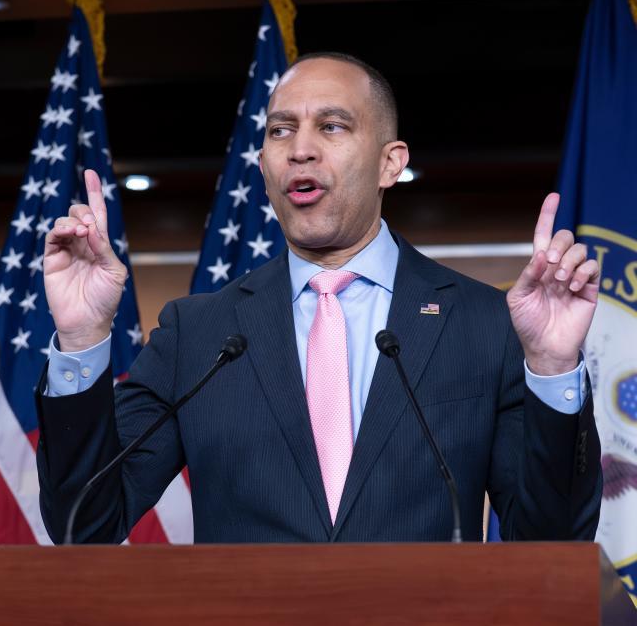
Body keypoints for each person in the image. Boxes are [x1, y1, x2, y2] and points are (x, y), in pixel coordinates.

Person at [36, 52, 602, 544]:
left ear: (391, 163)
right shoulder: (198, 333)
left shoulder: (482, 323)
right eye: (281, 131)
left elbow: (550, 537)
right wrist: (83, 338)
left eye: (331, 126)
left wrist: (552, 367)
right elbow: (86, 525)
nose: (300, 150)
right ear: (262, 166)